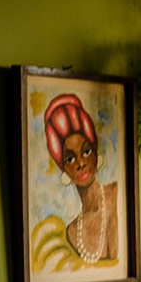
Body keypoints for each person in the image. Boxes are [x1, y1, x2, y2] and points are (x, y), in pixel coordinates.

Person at [43, 92, 117, 263]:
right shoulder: (72, 232)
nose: (81, 163)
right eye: (70, 158)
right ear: (64, 170)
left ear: (96, 152)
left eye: (86, 151)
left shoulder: (116, 195)